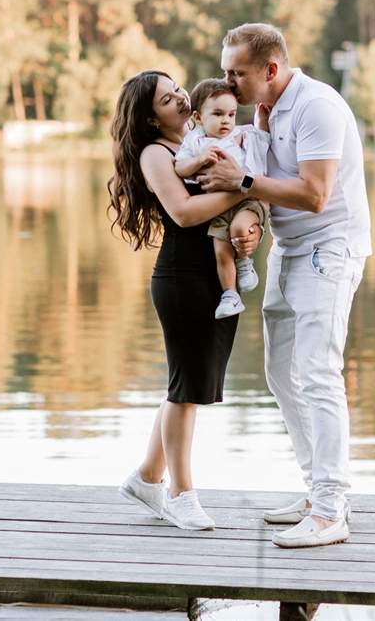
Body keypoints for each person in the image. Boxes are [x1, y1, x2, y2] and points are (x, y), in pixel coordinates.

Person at [196, 23, 372, 549]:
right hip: (289, 250)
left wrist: (242, 183)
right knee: (280, 373)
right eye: (225, 71)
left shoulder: (317, 106)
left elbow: (315, 195)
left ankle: (330, 510)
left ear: (270, 69)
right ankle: (318, 489)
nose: (227, 81)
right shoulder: (263, 111)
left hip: (329, 250)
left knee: (319, 374)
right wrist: (250, 221)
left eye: (237, 72)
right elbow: (271, 190)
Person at [107, 70, 263, 531]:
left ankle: (147, 477)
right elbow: (184, 212)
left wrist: (250, 226)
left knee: (187, 383)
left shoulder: (203, 141)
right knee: (186, 389)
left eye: (177, 89)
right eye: (165, 98)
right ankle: (180, 494)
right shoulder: (157, 154)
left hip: (216, 276)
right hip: (183, 279)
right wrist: (245, 187)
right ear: (151, 119)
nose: (178, 97)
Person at [173, 79, 270, 319]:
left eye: (231, 114)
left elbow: (263, 140)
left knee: (239, 228)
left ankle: (245, 263)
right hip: (217, 208)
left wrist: (262, 119)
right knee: (221, 250)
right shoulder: (194, 141)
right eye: (218, 114)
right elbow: (180, 167)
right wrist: (199, 159)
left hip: (246, 201)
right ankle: (230, 295)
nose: (226, 120)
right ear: (198, 117)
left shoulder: (240, 136)